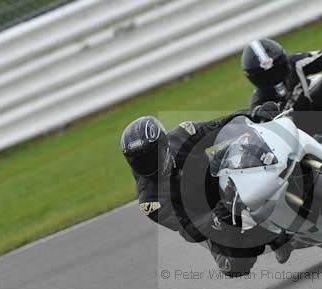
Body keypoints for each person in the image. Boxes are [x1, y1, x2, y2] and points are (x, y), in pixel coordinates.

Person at [120, 103, 293, 277]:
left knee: (243, 144)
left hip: (223, 177)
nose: (147, 165)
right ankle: (271, 236)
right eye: (140, 162)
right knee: (233, 266)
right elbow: (189, 230)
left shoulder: (182, 135)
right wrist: (218, 215)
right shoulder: (150, 200)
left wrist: (254, 114)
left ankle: (291, 173)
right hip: (210, 216)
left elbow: (219, 127)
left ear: (163, 143)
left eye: (151, 157)